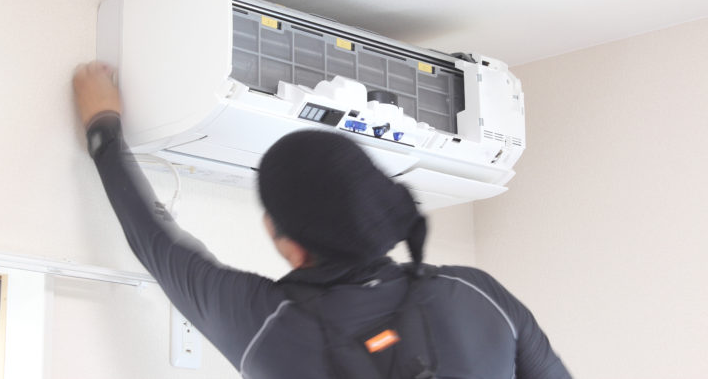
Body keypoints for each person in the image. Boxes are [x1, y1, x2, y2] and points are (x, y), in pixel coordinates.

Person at [72, 61, 571, 379]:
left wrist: (103, 129)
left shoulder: (266, 323)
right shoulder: (476, 294)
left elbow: (156, 241)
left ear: (283, 238)